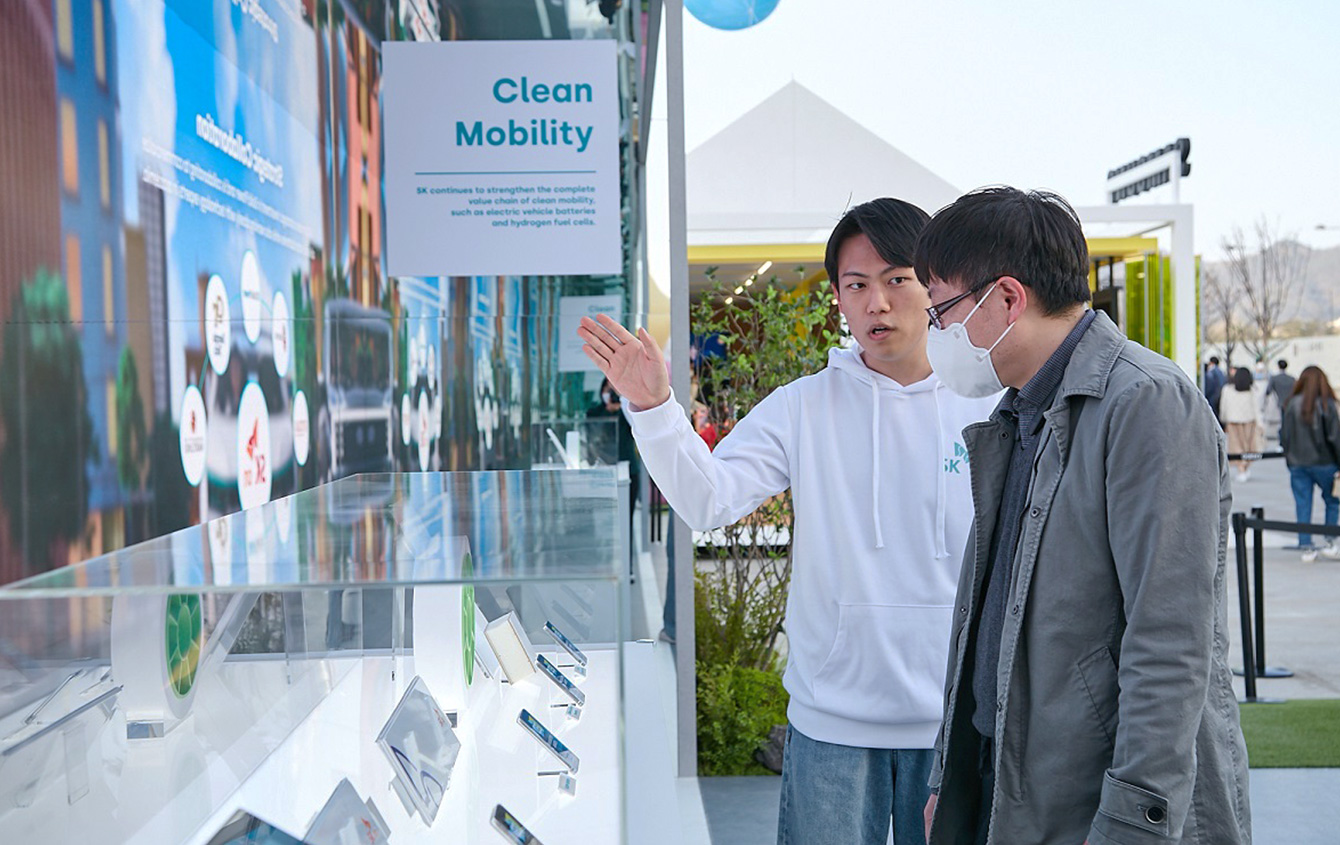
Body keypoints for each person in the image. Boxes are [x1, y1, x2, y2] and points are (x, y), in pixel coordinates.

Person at [578, 198, 996, 845]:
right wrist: (654, 407)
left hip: (954, 725)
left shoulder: (989, 408)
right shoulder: (803, 406)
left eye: (897, 279)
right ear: (838, 298)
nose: (877, 303)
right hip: (832, 724)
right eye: (856, 285)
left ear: (933, 284)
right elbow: (709, 499)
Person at [917, 187, 1250, 845]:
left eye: (942, 309)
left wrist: (1131, 822)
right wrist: (949, 784)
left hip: (1097, 805)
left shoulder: (1146, 403)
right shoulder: (1021, 413)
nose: (936, 332)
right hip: (1012, 786)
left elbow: (1169, 642)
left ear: (1007, 298)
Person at [1280, 365, 1340, 561]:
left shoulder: (1291, 404)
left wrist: (1289, 458)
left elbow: (1285, 436)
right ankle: (1330, 541)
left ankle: (1305, 545)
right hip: (1325, 462)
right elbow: (1335, 437)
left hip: (1298, 463)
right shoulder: (1326, 404)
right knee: (1332, 501)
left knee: (1303, 504)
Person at [1219, 366, 1264, 482]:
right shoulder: (1252, 390)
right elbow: (1257, 408)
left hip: (1233, 422)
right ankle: (1244, 468)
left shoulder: (1227, 389)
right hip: (1249, 421)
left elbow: (1223, 406)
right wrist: (1260, 424)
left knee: (1236, 447)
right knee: (1248, 447)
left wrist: (1223, 419)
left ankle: (1241, 469)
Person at [1265, 359, 1297, 439]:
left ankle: (1284, 436)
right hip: (1291, 402)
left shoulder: (1274, 378)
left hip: (1281, 402)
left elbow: (1268, 391)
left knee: (1283, 420)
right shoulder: (1292, 379)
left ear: (1278, 366)